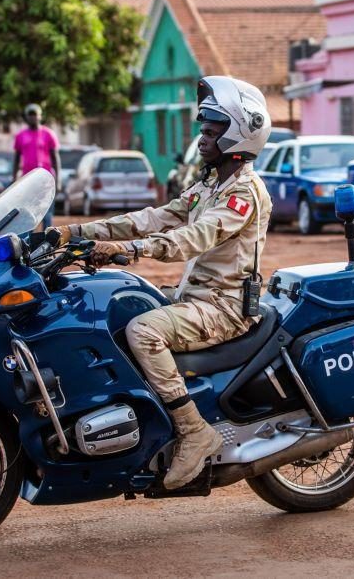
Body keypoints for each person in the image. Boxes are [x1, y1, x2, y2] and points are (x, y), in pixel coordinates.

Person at [52, 76, 272, 490]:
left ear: (239, 135)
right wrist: (76, 232)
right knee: (114, 312)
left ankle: (194, 431)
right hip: (196, 297)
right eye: (202, 129)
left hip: (224, 307)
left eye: (211, 131)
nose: (201, 138)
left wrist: (134, 251)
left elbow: (197, 236)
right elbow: (154, 217)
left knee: (144, 331)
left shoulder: (244, 193)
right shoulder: (209, 185)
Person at [12, 103, 60, 230]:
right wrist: (13, 179)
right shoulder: (20, 136)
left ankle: (46, 243)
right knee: (28, 214)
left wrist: (58, 181)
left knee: (47, 214)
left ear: (40, 116)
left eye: (35, 115)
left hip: (45, 181)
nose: (33, 118)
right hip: (28, 181)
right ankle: (28, 244)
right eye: (30, 115)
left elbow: (55, 158)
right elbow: (16, 159)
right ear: (26, 117)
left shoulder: (48, 134)